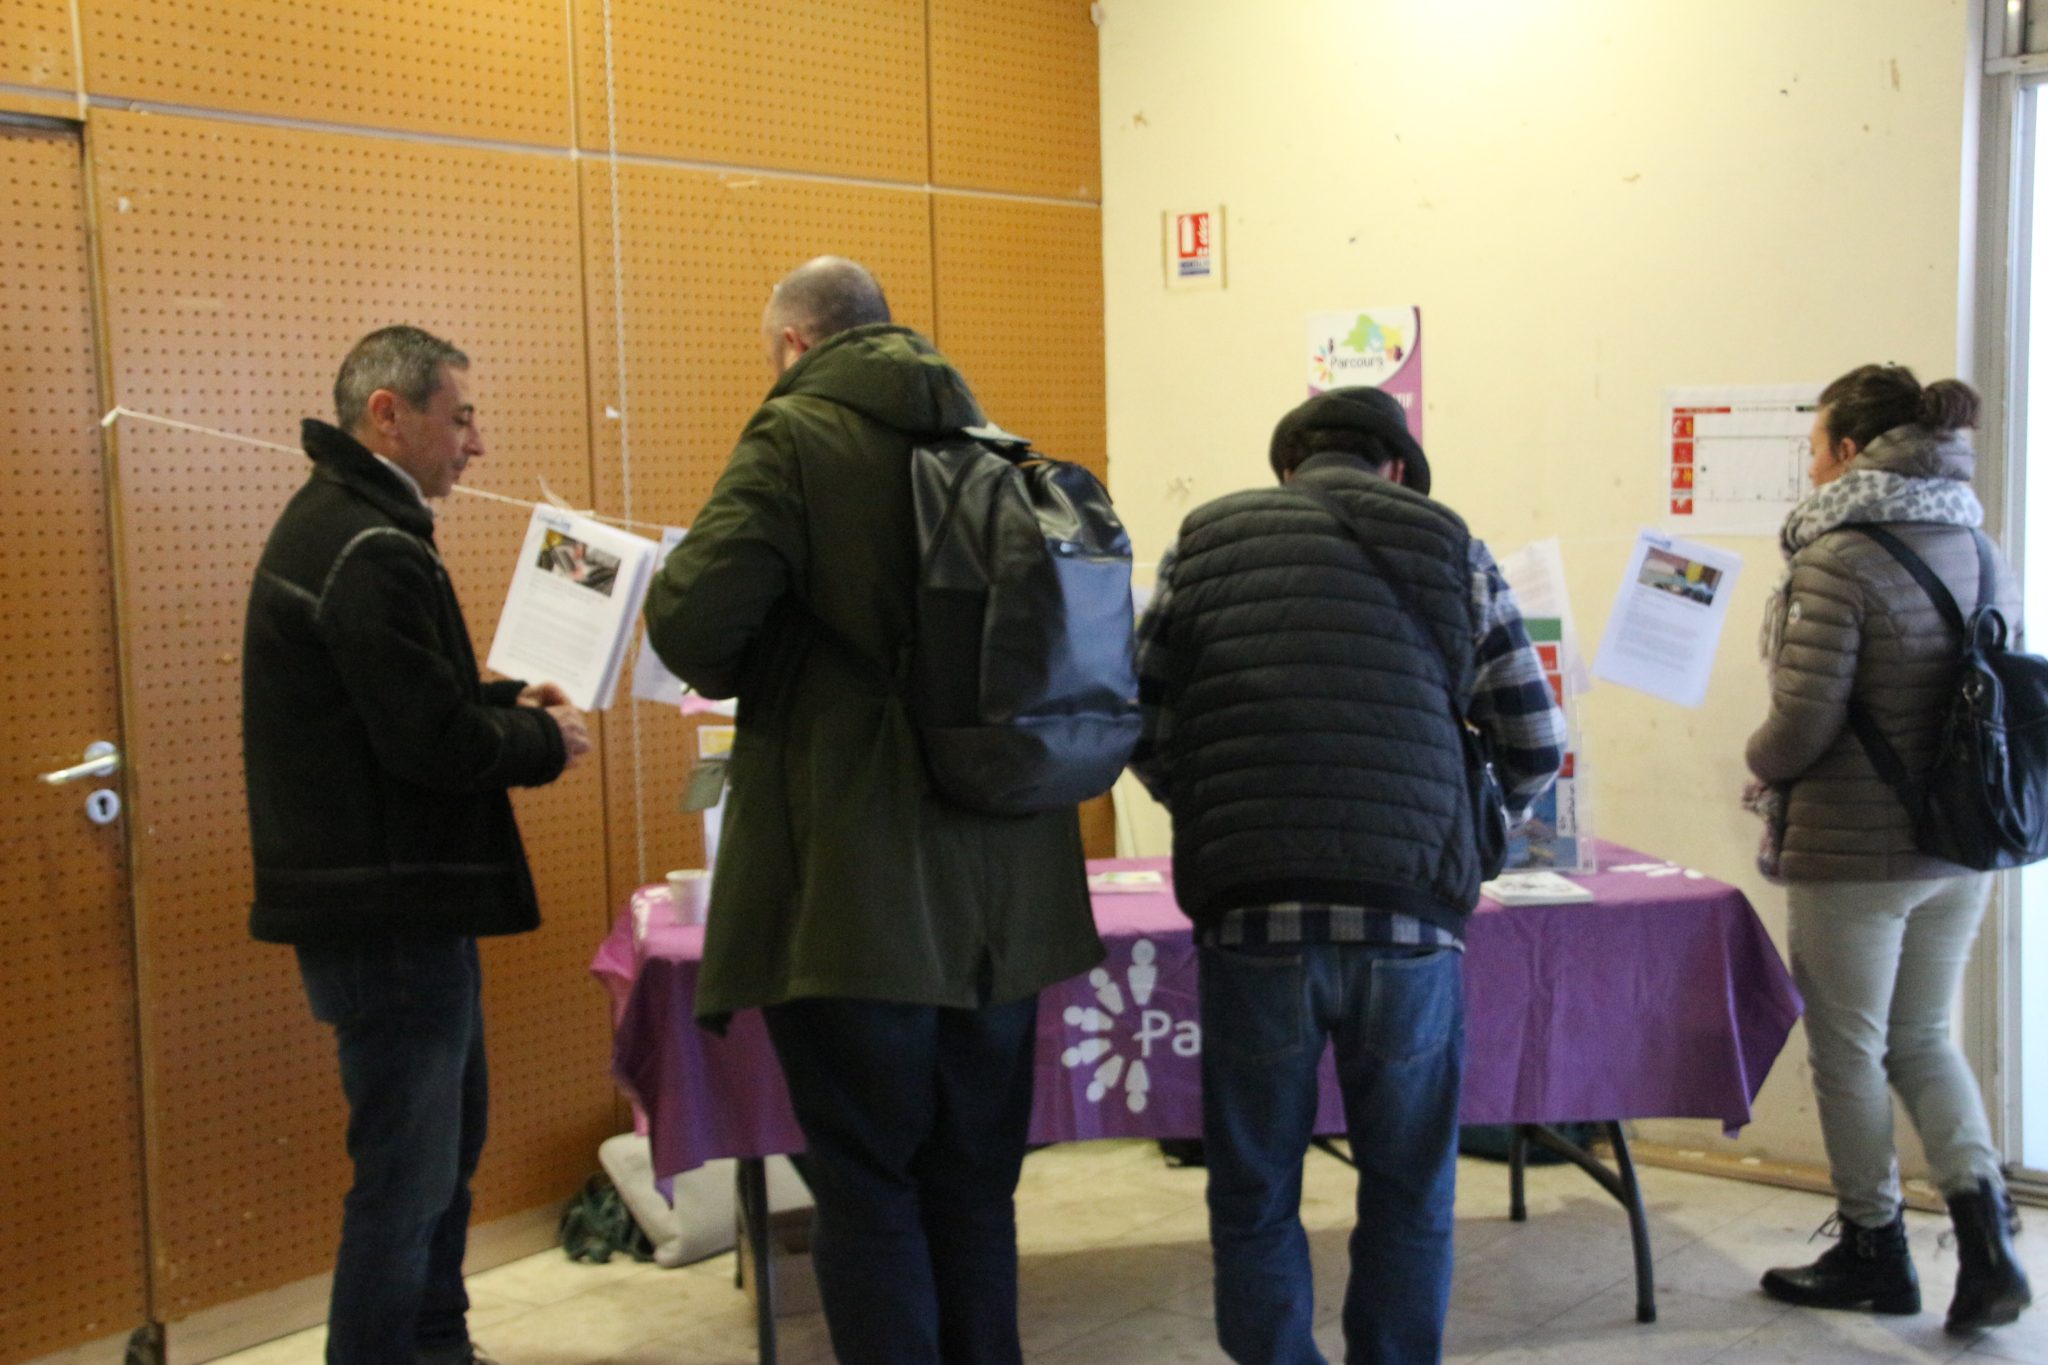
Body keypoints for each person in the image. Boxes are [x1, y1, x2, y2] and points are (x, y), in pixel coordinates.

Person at [641, 257, 1104, 1364]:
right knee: (973, 1185)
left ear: (795, 347)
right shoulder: (997, 449)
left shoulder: (792, 439)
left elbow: (691, 630)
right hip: (1005, 897)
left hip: (854, 896)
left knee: (865, 1189)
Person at [1130, 386, 1566, 1365]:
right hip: (1408, 921)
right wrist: (1473, 832)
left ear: (1285, 468)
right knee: (1409, 1183)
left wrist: (1213, 815)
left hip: (1250, 916)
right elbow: (1533, 739)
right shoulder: (1448, 543)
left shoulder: (1206, 539)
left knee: (1252, 1184)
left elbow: (1142, 723)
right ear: (1397, 468)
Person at [241, 325, 591, 1365]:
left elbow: (403, 710)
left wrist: (501, 700)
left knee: (438, 1160)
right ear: (387, 415)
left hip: (396, 909)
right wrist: (539, 737)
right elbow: (428, 742)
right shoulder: (369, 544)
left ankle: (437, 1350)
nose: (475, 445)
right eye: (462, 416)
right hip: (387, 919)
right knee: (406, 1178)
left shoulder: (355, 525)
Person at [1750, 365, 2032, 1334]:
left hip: (1854, 852)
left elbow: (1800, 724)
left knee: (1849, 1051)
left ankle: (1873, 1250)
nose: (1808, 462)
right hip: (1960, 843)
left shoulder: (1835, 557)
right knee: (1921, 1038)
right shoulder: (1977, 544)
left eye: (1814, 442)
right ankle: (1986, 1237)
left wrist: (1752, 761)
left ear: (1844, 451)